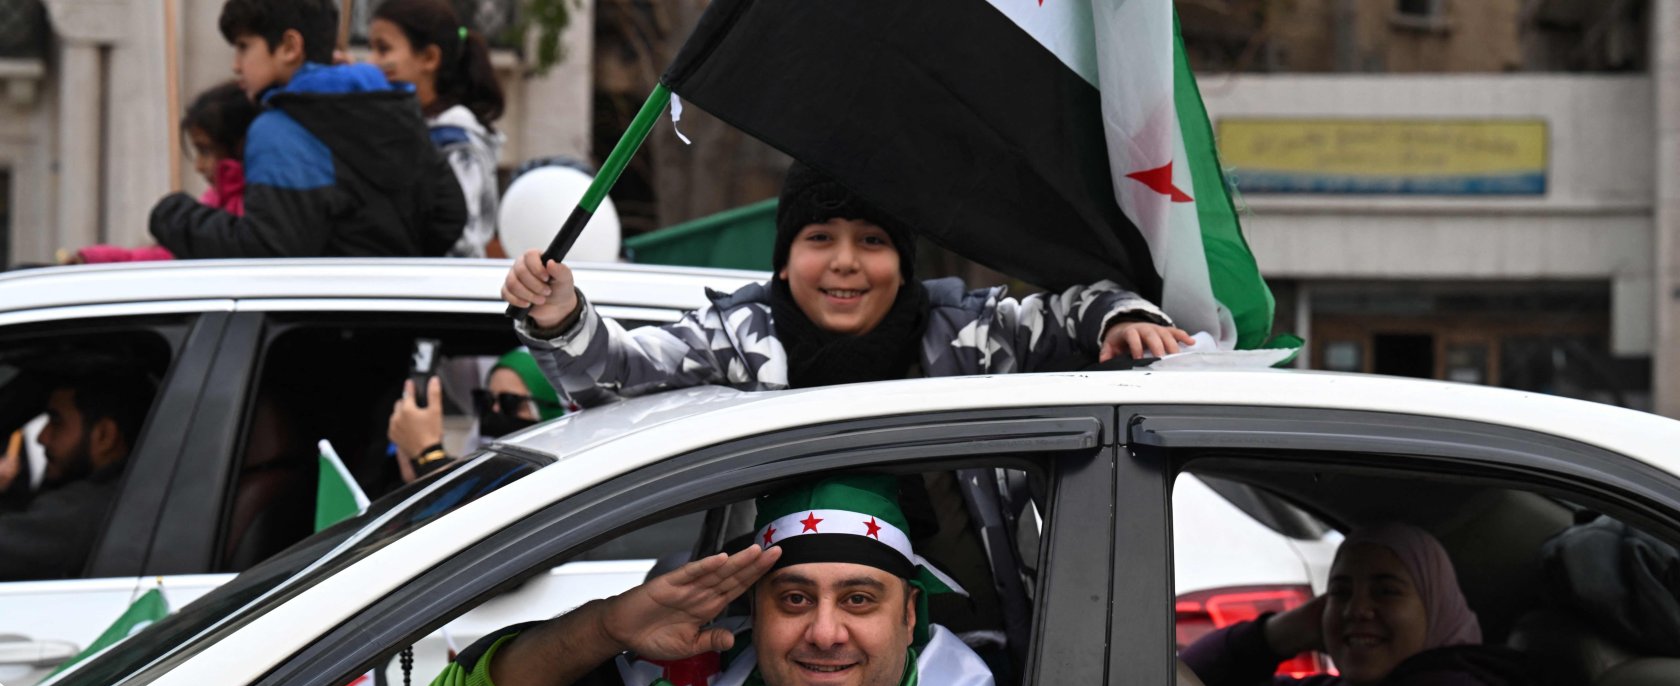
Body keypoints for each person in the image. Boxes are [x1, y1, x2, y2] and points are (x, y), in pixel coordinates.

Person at [501, 162, 1194, 408]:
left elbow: (1071, 305)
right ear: (781, 260)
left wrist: (1119, 319)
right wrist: (561, 318)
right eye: (819, 238)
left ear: (905, 261)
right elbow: (616, 379)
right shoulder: (734, 341)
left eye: (872, 241)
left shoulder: (970, 338)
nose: (844, 262)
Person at [423, 474, 995, 686]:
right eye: (794, 599)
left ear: (909, 613)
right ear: (755, 611)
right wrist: (602, 629)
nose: (824, 633)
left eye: (859, 599)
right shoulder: (701, 683)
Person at [147, 0, 467, 258]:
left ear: (289, 47)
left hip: (314, 326)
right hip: (395, 321)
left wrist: (174, 216)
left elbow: (269, 247)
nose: (236, 64)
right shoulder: (391, 105)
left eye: (244, 47)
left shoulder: (280, 129)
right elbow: (448, 215)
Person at [1180, 522, 1533, 686]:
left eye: (1386, 591)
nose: (1356, 610)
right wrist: (1277, 633)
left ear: (1436, 607)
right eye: (1341, 592)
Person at [368, 0, 506, 258]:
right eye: (371, 48)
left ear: (429, 58)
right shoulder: (408, 125)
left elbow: (462, 240)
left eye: (383, 49)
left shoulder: (455, 141)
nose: (371, 61)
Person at [78, 81, 257, 264]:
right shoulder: (214, 201)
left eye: (205, 151)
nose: (199, 166)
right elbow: (169, 256)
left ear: (239, 146)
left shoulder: (256, 206)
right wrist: (103, 259)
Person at [0, 373, 154, 581]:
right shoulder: (136, 493)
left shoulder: (83, 510)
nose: (41, 437)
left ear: (104, 436)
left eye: (56, 421)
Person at [388, 348, 570, 483]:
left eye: (510, 401)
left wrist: (428, 454)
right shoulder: (477, 467)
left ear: (552, 409)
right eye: (487, 400)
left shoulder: (563, 480)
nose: (495, 411)